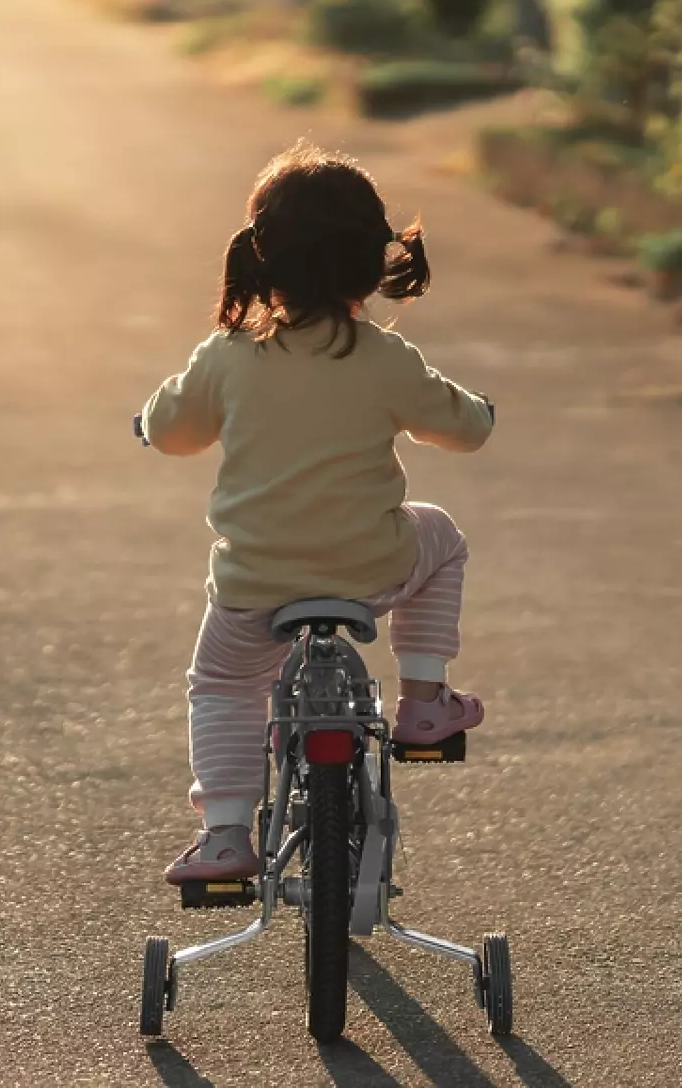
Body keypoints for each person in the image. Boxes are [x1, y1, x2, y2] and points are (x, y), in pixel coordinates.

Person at [139, 142, 497, 884]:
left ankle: (227, 834)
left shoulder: (228, 357)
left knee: (225, 689)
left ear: (261, 258)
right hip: (372, 568)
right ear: (375, 260)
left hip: (253, 584)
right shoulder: (385, 358)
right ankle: (425, 699)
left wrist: (147, 424)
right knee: (443, 534)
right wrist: (482, 412)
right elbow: (463, 428)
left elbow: (172, 432)